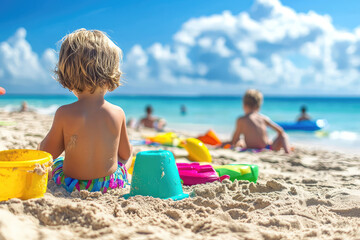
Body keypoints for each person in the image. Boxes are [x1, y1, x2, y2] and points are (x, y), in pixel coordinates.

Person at [39, 29, 132, 193]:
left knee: (59, 162)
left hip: (72, 184)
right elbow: (125, 154)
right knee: (128, 156)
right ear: (111, 71)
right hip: (108, 184)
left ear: (67, 72)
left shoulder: (64, 113)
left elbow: (47, 155)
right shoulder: (117, 113)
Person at [226, 89, 290, 153]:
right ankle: (287, 152)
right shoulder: (263, 118)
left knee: (241, 141)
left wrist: (234, 142)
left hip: (250, 148)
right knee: (284, 135)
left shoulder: (241, 119)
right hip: (266, 148)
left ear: (244, 105)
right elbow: (280, 131)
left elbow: (234, 140)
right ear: (258, 106)